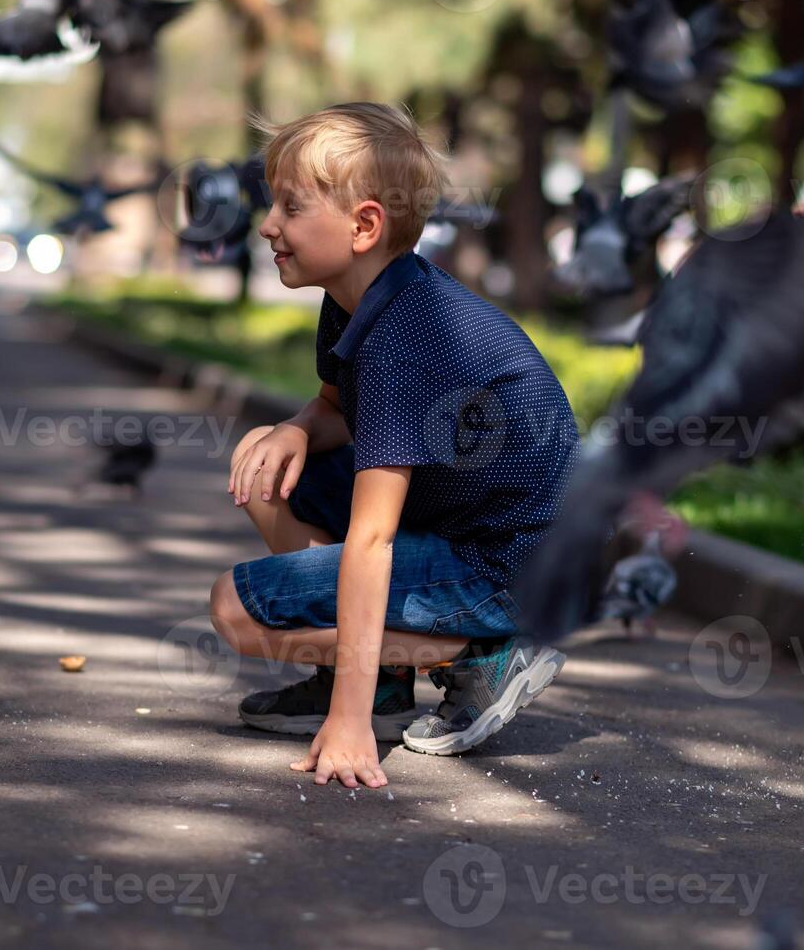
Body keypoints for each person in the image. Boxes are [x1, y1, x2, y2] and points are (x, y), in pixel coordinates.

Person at [207, 102, 581, 790]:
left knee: (235, 609)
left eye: (289, 208)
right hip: (462, 522)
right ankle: (381, 685)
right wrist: (290, 430)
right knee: (268, 461)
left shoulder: (403, 342)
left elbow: (370, 541)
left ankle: (485, 651)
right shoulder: (359, 296)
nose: (267, 226)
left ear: (364, 225)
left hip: (507, 565)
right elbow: (332, 410)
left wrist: (345, 730)